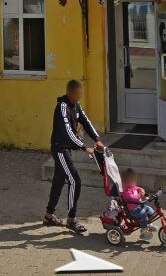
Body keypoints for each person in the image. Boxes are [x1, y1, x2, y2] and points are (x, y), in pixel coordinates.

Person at [44, 79, 104, 234]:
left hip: (66, 149)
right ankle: (71, 219)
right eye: (78, 93)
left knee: (58, 181)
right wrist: (84, 147)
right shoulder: (62, 107)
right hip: (60, 149)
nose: (80, 95)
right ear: (70, 93)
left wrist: (97, 139)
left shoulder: (76, 105)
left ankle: (49, 216)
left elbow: (86, 121)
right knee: (75, 181)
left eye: (80, 93)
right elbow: (68, 132)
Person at [121, 168, 156, 239]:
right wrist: (139, 195)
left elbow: (137, 188)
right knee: (144, 216)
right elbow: (132, 198)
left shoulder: (132, 187)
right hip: (133, 211)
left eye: (134, 180)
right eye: (131, 180)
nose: (133, 182)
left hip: (139, 206)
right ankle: (144, 232)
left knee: (150, 210)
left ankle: (148, 224)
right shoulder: (125, 191)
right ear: (126, 181)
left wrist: (141, 190)